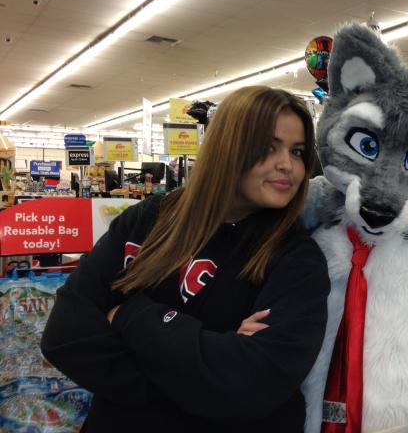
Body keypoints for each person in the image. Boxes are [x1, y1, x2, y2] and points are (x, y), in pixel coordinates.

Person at [41, 86, 330, 433]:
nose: (287, 165)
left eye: (297, 151)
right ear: (227, 147)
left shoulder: (297, 259)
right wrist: (205, 367)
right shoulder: (148, 220)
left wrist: (130, 314)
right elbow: (65, 335)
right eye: (269, 147)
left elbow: (250, 385)